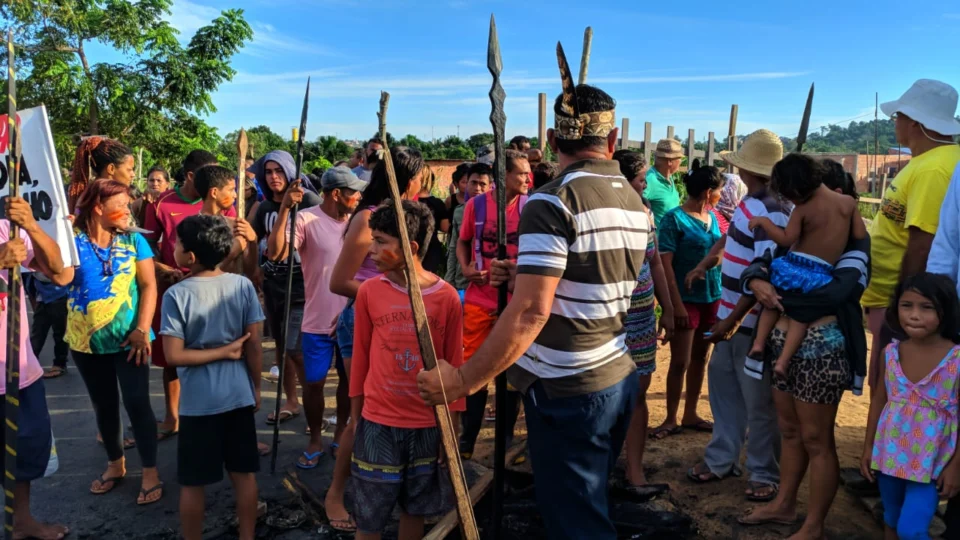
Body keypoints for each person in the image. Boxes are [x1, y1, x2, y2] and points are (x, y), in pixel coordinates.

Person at [418, 73, 649, 538]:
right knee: (588, 503)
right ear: (613, 139)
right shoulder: (632, 200)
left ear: (550, 139)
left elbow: (530, 313)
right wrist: (519, 273)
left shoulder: (553, 200)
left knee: (575, 523)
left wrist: (461, 379)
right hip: (614, 371)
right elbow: (589, 278)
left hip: (570, 385)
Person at [737, 172, 868, 537]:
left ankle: (813, 525)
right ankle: (784, 505)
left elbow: (831, 295)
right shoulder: (799, 237)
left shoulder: (855, 252)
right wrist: (758, 279)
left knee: (817, 439)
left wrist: (771, 289)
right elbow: (764, 259)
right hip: (784, 346)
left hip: (822, 349)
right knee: (790, 431)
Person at [350, 200, 464, 540]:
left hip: (427, 424)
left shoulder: (446, 298)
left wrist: (451, 430)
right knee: (369, 517)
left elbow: (453, 366)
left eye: (381, 241)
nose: (371, 249)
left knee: (415, 509)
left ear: (410, 248)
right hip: (378, 422)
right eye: (372, 239)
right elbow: (360, 359)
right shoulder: (370, 292)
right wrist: (357, 418)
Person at [684, 129, 786, 504]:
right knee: (724, 391)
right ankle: (722, 458)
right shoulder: (750, 203)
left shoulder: (772, 210)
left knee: (758, 402)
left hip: (749, 323)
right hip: (730, 318)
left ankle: (764, 473)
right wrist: (707, 261)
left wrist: (732, 321)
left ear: (747, 170)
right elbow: (730, 239)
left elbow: (765, 273)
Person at [326, 146, 424, 532]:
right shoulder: (368, 218)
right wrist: (383, 294)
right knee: (362, 413)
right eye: (421, 176)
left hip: (399, 322)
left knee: (394, 410)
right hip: (366, 321)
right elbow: (339, 281)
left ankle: (391, 492)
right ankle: (336, 493)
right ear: (409, 179)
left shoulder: (407, 216)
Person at [159, 215, 264, 540]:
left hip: (197, 404)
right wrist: (256, 387)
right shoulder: (242, 285)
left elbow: (174, 357)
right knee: (244, 475)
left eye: (177, 243)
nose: (173, 247)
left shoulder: (177, 295)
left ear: (189, 257)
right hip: (238, 395)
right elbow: (255, 345)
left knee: (193, 483)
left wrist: (220, 352)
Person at [63, 179, 163, 505]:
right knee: (104, 405)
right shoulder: (71, 242)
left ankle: (150, 472)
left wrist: (142, 328)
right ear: (98, 207)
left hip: (131, 340)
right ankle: (115, 464)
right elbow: (56, 274)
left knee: (137, 402)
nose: (128, 208)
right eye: (121, 203)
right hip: (85, 341)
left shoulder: (134, 240)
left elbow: (148, 286)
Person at [862, 79, 960, 392]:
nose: (896, 124)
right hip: (894, 302)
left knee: (891, 393)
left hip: (901, 305)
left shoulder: (934, 169)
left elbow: (923, 243)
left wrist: (903, 304)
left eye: (898, 117)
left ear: (915, 122)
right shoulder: (929, 162)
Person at [267, 167, 365, 470]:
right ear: (337, 194)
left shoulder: (358, 224)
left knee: (349, 384)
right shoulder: (306, 218)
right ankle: (314, 438)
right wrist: (285, 209)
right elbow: (276, 254)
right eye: (354, 192)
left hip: (351, 318)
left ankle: (339, 434)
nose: (359, 197)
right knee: (314, 383)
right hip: (317, 319)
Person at [859, 273, 960, 540]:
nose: (914, 315)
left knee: (912, 530)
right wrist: (869, 447)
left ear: (947, 310)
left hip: (932, 464)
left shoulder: (957, 359)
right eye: (907, 305)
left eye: (927, 307)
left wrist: (956, 465)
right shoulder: (890, 354)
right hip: (889, 454)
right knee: (891, 518)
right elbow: (879, 401)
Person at [143, 150, 236, 441]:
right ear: (192, 176)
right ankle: (172, 417)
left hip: (214, 293)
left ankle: (222, 421)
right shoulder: (161, 203)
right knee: (172, 358)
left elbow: (232, 250)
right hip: (172, 291)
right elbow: (146, 247)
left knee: (215, 355)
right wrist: (161, 269)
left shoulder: (225, 206)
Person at [747, 154, 867, 378]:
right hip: (821, 274)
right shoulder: (848, 203)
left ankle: (758, 344)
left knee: (773, 304)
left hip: (794, 266)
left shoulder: (803, 209)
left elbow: (785, 239)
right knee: (800, 317)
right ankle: (783, 362)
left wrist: (764, 223)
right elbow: (859, 234)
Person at [1, 197, 71, 540]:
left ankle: (20, 520)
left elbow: (59, 271)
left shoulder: (6, 227)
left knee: (24, 449)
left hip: (17, 368)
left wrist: (30, 224)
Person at [456, 150, 530, 459]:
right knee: (475, 368)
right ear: (504, 177)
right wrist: (466, 268)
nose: (528, 179)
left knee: (512, 369)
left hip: (516, 303)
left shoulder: (531, 208)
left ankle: (506, 442)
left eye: (529, 173)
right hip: (479, 300)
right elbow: (462, 242)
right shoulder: (476, 206)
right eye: (522, 174)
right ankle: (468, 440)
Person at [613, 149, 674, 496]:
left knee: (638, 392)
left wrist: (666, 307)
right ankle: (605, 463)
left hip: (640, 317)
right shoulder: (603, 212)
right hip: (609, 318)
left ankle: (634, 471)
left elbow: (655, 263)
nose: (646, 186)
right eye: (641, 180)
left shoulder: (646, 213)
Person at [649, 165, 724, 440]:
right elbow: (666, 267)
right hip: (686, 299)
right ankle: (670, 417)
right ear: (708, 191)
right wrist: (675, 306)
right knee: (680, 361)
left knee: (700, 358)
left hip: (711, 298)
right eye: (718, 190)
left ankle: (690, 413)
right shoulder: (674, 220)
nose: (719, 195)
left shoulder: (712, 217)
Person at [249, 150, 320, 425]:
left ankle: (312, 401)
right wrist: (255, 269)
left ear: (291, 172)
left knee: (296, 349)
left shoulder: (309, 202)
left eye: (279, 171)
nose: (274, 177)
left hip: (303, 286)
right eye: (268, 172)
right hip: (275, 285)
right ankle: (291, 400)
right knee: (280, 348)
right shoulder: (266, 207)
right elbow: (256, 239)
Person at [195, 165, 259, 275]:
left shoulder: (235, 225)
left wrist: (253, 241)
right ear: (214, 192)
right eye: (231, 190)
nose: (235, 195)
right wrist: (232, 253)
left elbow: (249, 270)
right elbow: (199, 275)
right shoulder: (192, 228)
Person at [444, 163, 492, 301]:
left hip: (487, 281)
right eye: (473, 183)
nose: (477, 188)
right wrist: (449, 280)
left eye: (482, 184)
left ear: (490, 186)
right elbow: (453, 247)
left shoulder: (498, 212)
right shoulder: (459, 212)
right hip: (462, 280)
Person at [67, 137, 135, 212]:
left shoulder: (91, 194)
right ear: (111, 169)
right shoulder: (104, 198)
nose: (133, 174)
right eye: (129, 170)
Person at [32, 270, 69, 379]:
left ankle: (60, 364)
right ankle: (30, 364)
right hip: (42, 295)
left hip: (60, 294)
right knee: (37, 332)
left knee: (60, 332)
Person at [416, 165, 450, 274]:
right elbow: (445, 227)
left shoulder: (407, 202)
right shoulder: (437, 203)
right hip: (431, 246)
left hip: (410, 246)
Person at [643, 138, 683, 228]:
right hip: (658, 240)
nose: (680, 162)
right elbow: (636, 203)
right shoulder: (650, 180)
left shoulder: (669, 178)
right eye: (679, 158)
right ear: (670, 161)